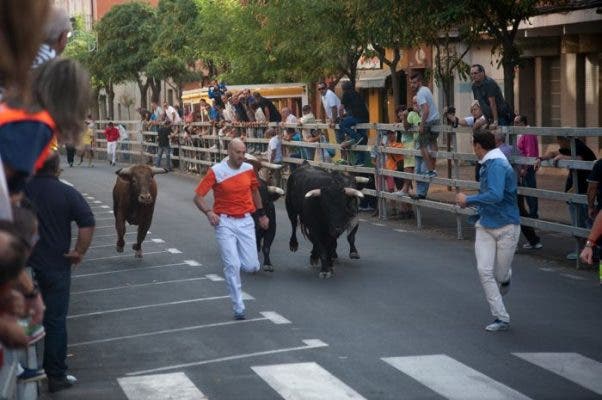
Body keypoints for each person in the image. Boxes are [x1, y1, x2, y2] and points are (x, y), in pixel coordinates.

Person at [25, 153, 95, 393]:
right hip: (56, 266)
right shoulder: (66, 192)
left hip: (23, 268)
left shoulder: (18, 191)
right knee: (54, 321)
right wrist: (79, 251)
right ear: (57, 168)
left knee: (23, 318)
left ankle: (26, 371)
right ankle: (55, 376)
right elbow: (87, 221)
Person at [193, 139, 269, 320]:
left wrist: (262, 215)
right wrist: (209, 212)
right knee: (232, 265)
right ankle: (238, 306)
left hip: (246, 221)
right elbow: (198, 197)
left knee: (251, 266)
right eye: (237, 152)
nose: (241, 156)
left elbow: (255, 192)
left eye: (243, 152)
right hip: (224, 222)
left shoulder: (249, 170)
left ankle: (237, 263)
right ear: (229, 151)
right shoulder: (216, 171)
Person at [456, 130, 520, 332]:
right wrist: (473, 203)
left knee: (500, 276)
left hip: (507, 226)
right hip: (485, 224)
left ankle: (506, 276)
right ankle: (501, 317)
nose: (473, 150)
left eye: (473, 145)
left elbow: (495, 195)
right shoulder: (489, 162)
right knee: (484, 271)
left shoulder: (498, 164)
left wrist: (469, 200)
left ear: (478, 146)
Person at [536, 136, 596, 260]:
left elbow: (580, 159)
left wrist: (563, 158)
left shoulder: (579, 147)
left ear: (566, 140)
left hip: (582, 190)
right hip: (574, 189)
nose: (558, 143)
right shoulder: (569, 147)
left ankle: (586, 251)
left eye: (559, 141)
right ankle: (583, 250)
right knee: (578, 221)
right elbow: (554, 153)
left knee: (582, 221)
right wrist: (541, 158)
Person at [409, 71, 440, 187]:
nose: (412, 85)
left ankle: (431, 171)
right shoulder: (426, 89)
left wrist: (421, 125)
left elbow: (426, 110)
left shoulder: (420, 94)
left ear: (419, 82)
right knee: (433, 143)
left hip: (429, 121)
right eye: (411, 83)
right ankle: (433, 168)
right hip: (436, 119)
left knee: (422, 146)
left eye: (414, 82)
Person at [515, 115, 539, 219]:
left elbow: (530, 152)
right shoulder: (522, 133)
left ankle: (533, 214)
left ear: (523, 123)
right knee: (526, 190)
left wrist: (525, 168)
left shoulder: (527, 133)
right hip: (522, 166)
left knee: (530, 190)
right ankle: (530, 213)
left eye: (517, 122)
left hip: (527, 167)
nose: (514, 125)